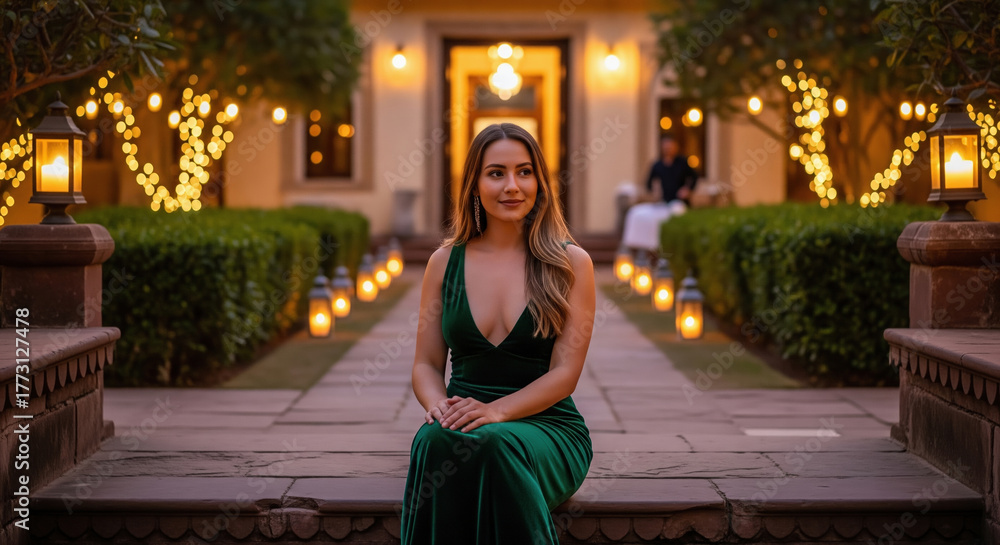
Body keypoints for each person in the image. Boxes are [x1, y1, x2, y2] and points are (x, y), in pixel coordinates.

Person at [400, 123, 595, 544]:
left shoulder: (571, 263)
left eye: (525, 172)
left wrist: (497, 412)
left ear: (540, 182)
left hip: (546, 428)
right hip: (463, 421)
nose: (512, 186)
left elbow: (566, 373)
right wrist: (439, 408)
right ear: (474, 183)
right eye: (496, 173)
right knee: (435, 441)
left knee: (494, 445)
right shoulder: (443, 262)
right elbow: (426, 364)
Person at [620, 134, 699, 252]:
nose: (668, 148)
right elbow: (648, 184)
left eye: (670, 145)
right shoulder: (657, 165)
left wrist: (688, 190)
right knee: (636, 213)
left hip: (678, 203)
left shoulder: (682, 163)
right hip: (662, 203)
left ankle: (672, 247)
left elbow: (694, 177)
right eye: (666, 145)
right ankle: (642, 247)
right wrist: (655, 192)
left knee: (676, 213)